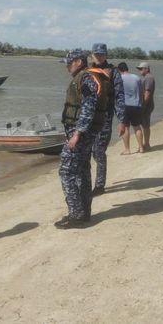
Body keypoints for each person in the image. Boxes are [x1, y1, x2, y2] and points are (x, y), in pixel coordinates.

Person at [57, 49, 103, 229]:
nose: (67, 66)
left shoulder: (85, 79)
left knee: (67, 172)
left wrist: (77, 134)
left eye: (69, 63)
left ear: (78, 61)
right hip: (84, 134)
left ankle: (76, 215)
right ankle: (83, 213)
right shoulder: (85, 78)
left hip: (80, 134)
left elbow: (88, 108)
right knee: (82, 171)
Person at [89, 43, 126, 197]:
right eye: (96, 54)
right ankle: (90, 182)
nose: (99, 57)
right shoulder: (87, 71)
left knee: (99, 151)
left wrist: (122, 120)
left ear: (106, 55)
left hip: (105, 117)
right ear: (92, 55)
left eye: (102, 54)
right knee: (91, 152)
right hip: (88, 117)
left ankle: (99, 185)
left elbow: (119, 96)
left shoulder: (113, 72)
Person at [116, 62, 144, 154]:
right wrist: (140, 103)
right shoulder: (137, 78)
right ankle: (141, 147)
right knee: (137, 127)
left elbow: (116, 93)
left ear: (119, 70)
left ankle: (127, 149)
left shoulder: (119, 78)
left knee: (126, 128)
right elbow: (141, 92)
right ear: (127, 68)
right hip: (136, 105)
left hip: (125, 106)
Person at [137, 61, 155, 151]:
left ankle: (147, 144)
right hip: (146, 104)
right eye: (139, 69)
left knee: (145, 124)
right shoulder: (146, 77)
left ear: (147, 69)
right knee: (144, 124)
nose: (139, 70)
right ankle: (145, 144)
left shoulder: (149, 78)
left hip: (146, 105)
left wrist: (142, 105)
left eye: (141, 68)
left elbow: (147, 92)